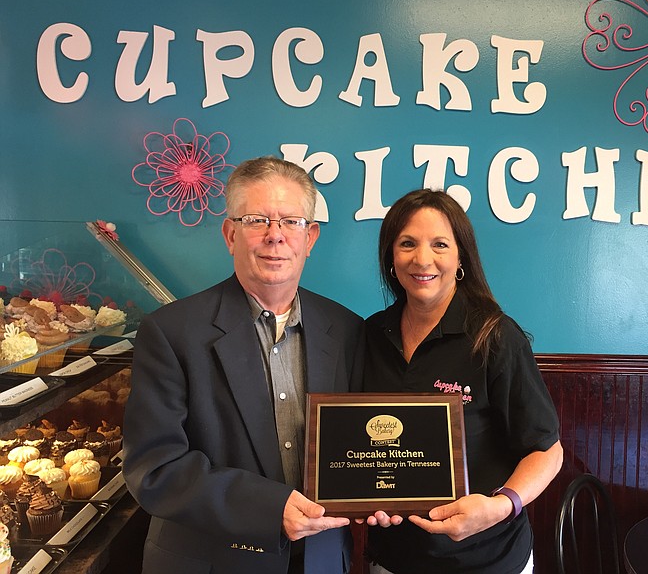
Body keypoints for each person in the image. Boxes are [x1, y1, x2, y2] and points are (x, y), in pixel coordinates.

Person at [123, 156, 365, 573]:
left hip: (322, 560)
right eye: (257, 220)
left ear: (310, 238)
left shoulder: (347, 330)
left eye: (291, 222)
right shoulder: (171, 332)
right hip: (213, 560)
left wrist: (386, 492)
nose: (276, 236)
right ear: (230, 234)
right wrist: (271, 508)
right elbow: (154, 468)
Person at [363, 189, 563, 574]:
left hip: (487, 559)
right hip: (393, 559)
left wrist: (501, 505)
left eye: (440, 244)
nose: (423, 259)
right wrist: (362, 498)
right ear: (391, 258)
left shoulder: (496, 336)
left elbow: (547, 451)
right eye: (407, 243)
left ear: (460, 258)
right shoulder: (371, 335)